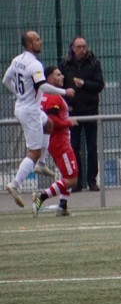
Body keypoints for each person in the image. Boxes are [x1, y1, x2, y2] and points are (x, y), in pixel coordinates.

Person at [3, 31, 74, 208]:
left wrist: (20, 94)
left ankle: (41, 163)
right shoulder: (34, 64)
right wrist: (65, 92)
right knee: (33, 151)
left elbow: (5, 80)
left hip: (25, 107)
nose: (40, 42)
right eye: (37, 40)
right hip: (30, 111)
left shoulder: (17, 59)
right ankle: (15, 184)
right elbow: (42, 86)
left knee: (48, 124)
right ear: (29, 45)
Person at [58, 36, 105, 192]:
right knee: (73, 146)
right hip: (73, 111)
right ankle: (76, 181)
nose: (81, 50)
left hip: (90, 110)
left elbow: (99, 85)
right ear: (73, 48)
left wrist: (84, 84)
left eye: (84, 46)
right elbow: (60, 87)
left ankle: (92, 180)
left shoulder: (94, 63)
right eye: (78, 47)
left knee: (92, 147)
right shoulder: (65, 65)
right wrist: (66, 105)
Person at [33, 66, 79, 217]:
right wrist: (68, 122)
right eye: (58, 75)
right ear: (50, 79)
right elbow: (52, 120)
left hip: (56, 142)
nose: (62, 77)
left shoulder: (44, 95)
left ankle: (62, 206)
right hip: (60, 143)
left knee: (69, 175)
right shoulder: (53, 97)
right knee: (72, 179)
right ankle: (41, 197)